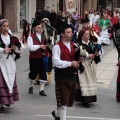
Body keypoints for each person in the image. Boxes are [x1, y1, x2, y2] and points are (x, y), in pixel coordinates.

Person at [51, 18, 79, 120]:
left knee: (69, 102)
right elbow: (56, 62)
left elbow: (76, 59)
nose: (71, 34)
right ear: (62, 35)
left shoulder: (73, 45)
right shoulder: (57, 47)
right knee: (63, 103)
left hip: (71, 76)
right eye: (68, 32)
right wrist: (70, 63)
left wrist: (81, 58)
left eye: (71, 32)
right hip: (61, 77)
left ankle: (56, 113)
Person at [76, 28, 101, 108]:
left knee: (91, 81)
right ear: (82, 35)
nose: (88, 35)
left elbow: (97, 51)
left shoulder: (91, 43)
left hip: (91, 65)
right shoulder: (78, 43)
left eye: (88, 34)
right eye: (86, 34)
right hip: (83, 65)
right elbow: (80, 52)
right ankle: (85, 100)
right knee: (84, 82)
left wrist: (97, 53)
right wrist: (87, 55)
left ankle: (91, 98)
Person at [0, 19, 21, 113]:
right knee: (1, 81)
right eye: (3, 26)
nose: (5, 28)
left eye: (7, 26)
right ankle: (1, 103)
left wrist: (15, 47)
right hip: (0, 61)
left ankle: (7, 99)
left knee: (9, 80)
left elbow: (19, 49)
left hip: (9, 62)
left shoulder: (12, 37)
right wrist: (3, 50)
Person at [27, 17, 48, 96]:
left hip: (43, 57)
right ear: (35, 29)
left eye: (41, 27)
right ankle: (31, 86)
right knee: (33, 73)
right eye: (38, 28)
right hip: (34, 58)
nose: (40, 29)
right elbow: (31, 48)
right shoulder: (31, 37)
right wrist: (40, 46)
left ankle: (41, 90)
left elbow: (49, 45)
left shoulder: (44, 36)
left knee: (43, 73)